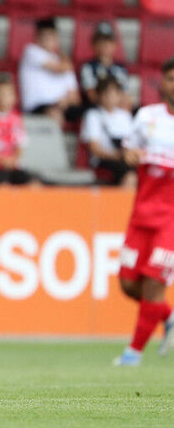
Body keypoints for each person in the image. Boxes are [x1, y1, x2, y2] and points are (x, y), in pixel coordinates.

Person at [113, 58, 174, 366]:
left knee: (153, 284)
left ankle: (132, 353)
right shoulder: (147, 116)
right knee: (127, 283)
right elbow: (128, 151)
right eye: (171, 79)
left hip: (172, 218)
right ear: (162, 82)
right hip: (142, 212)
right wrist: (130, 155)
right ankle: (168, 315)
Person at [18, 17, 81, 127]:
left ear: (57, 38)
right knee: (54, 114)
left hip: (62, 106)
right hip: (36, 107)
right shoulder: (31, 51)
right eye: (43, 36)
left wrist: (64, 102)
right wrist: (66, 62)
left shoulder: (64, 63)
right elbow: (58, 68)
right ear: (36, 38)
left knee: (91, 113)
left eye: (50, 36)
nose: (47, 39)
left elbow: (75, 97)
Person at [81, 78, 135, 187]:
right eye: (106, 93)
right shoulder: (93, 115)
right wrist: (119, 155)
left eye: (114, 93)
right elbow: (95, 149)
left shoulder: (125, 115)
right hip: (103, 161)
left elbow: (132, 142)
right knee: (129, 175)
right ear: (99, 95)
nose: (110, 97)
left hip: (125, 158)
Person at [78, 21, 130, 108]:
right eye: (100, 41)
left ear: (115, 45)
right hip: (97, 110)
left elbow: (125, 95)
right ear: (93, 44)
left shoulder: (121, 68)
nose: (105, 45)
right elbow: (92, 96)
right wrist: (110, 103)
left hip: (118, 109)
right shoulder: (88, 67)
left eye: (108, 41)